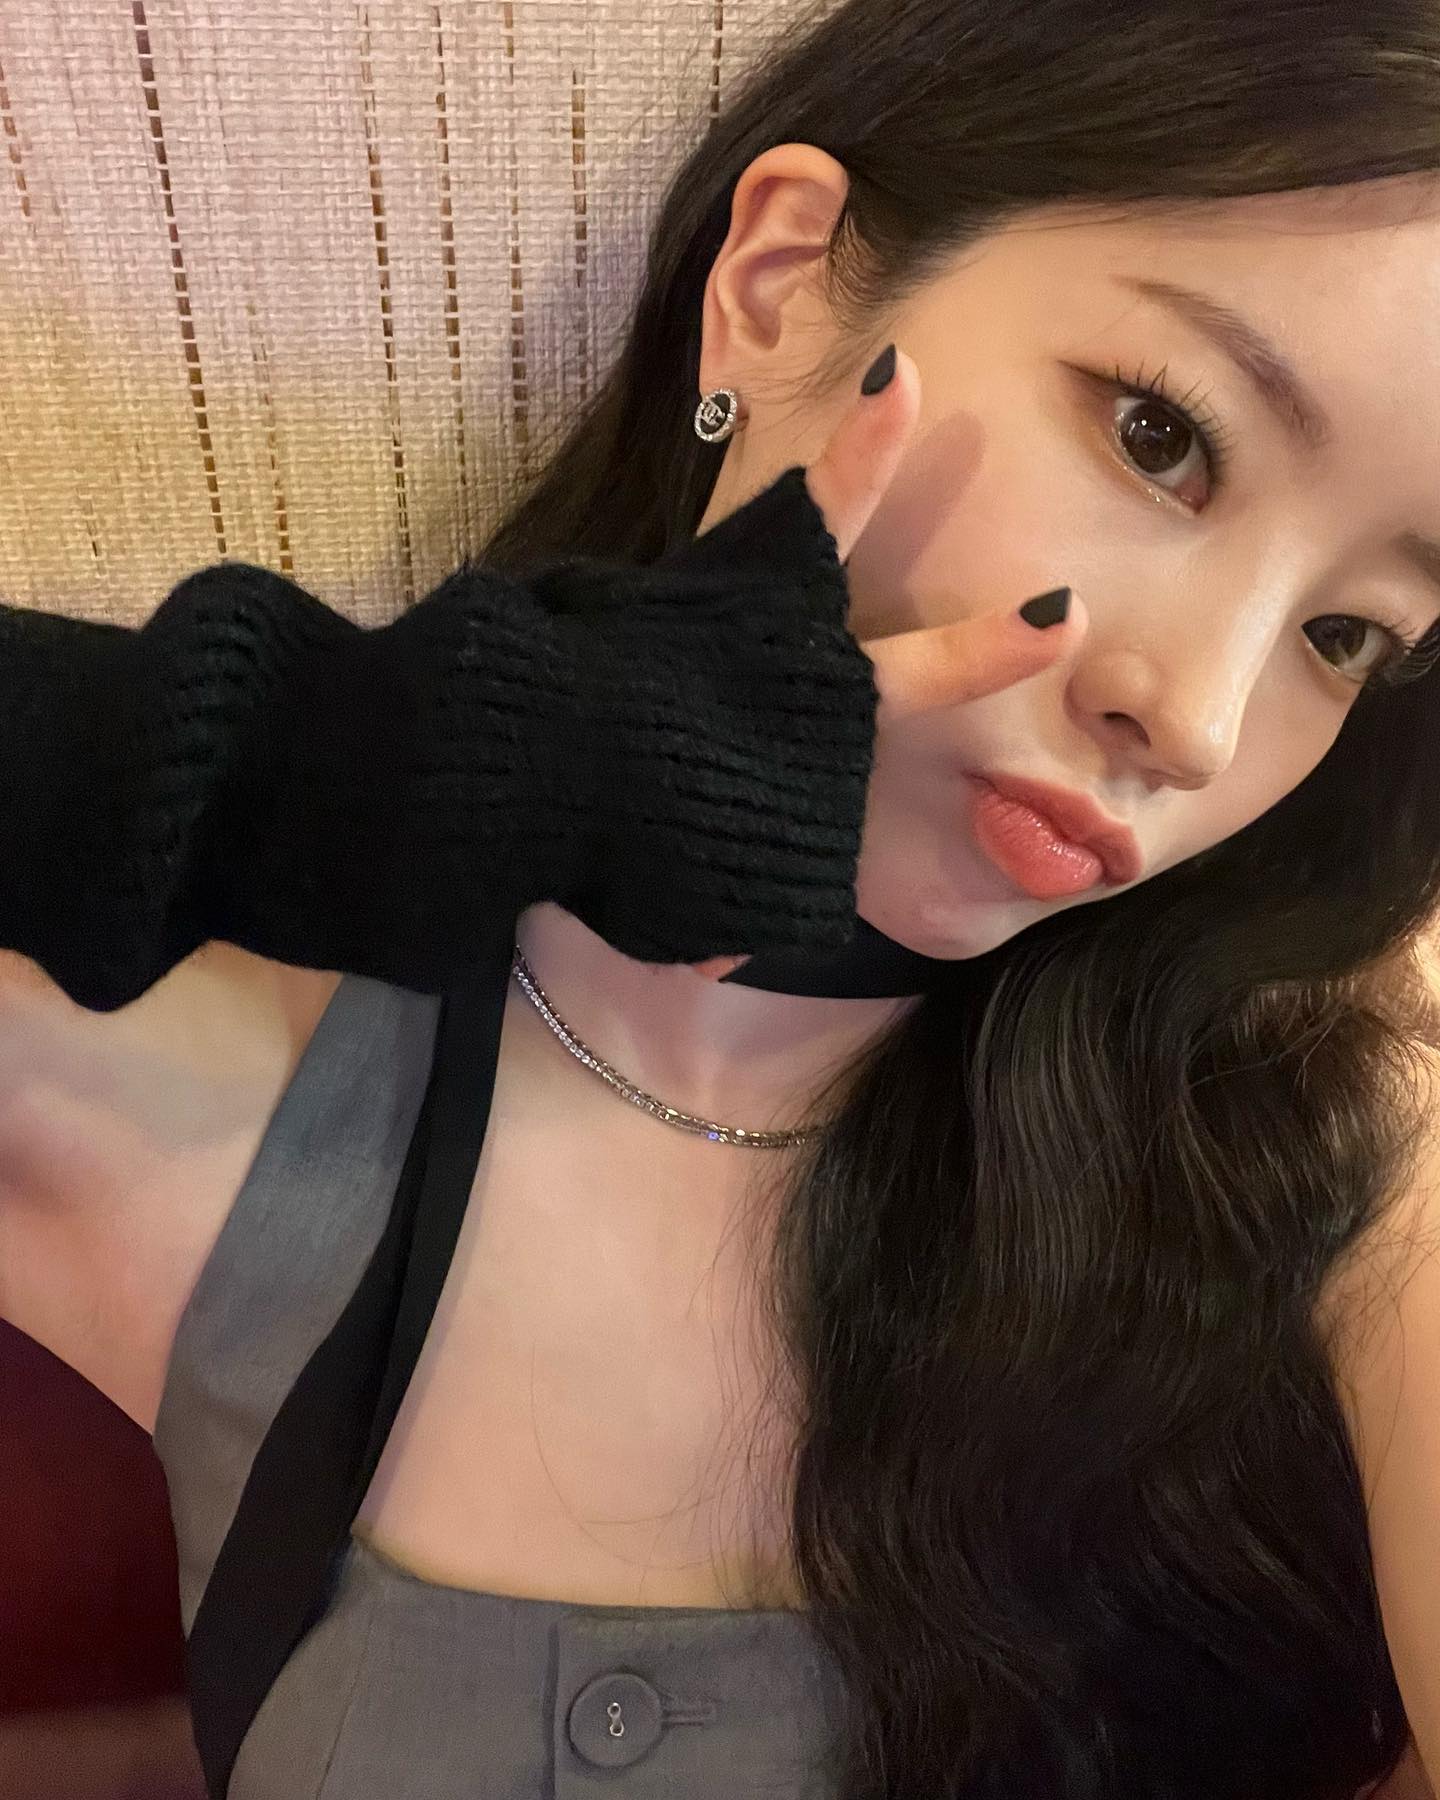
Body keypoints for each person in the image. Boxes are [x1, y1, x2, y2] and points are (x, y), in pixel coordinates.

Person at [3, 0, 1440, 1796]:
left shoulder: (1329, 1141)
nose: (1205, 722)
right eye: (1162, 435)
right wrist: (403, 755)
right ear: (775, 290)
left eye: (1349, 634)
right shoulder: (208, 1090)